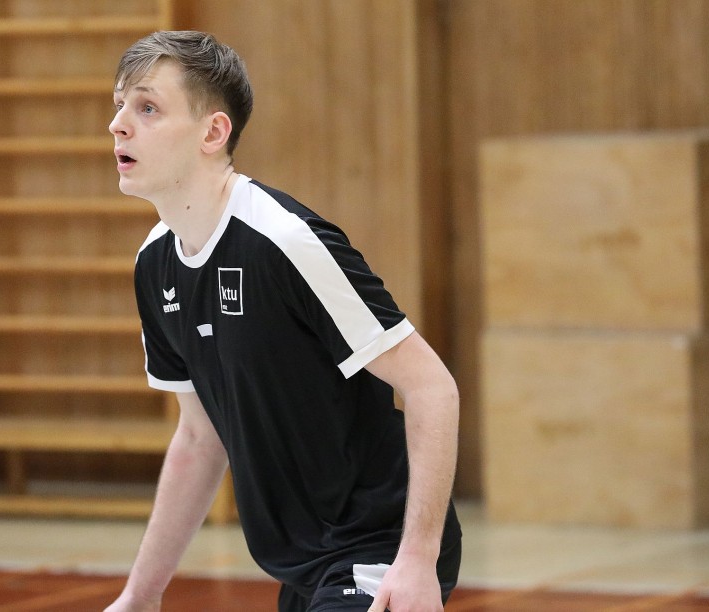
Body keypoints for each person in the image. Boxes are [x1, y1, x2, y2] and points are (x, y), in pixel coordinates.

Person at [103, 30, 461, 612]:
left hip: (377, 547)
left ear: (212, 133)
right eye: (120, 105)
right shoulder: (155, 263)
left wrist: (417, 558)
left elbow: (431, 387)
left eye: (146, 108)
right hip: (300, 562)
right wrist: (140, 597)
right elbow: (199, 437)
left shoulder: (284, 241)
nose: (118, 124)